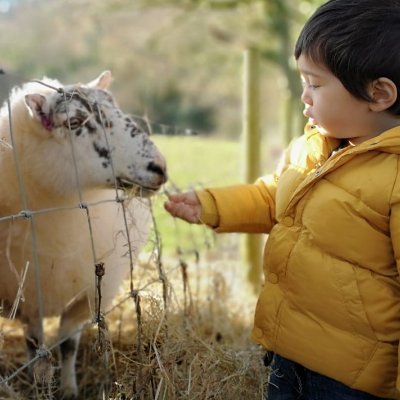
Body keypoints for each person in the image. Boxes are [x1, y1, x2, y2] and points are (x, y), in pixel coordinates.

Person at [164, 0, 400, 398]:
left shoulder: (394, 178)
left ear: (378, 94)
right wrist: (212, 205)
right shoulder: (311, 148)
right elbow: (274, 197)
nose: (303, 96)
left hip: (352, 378)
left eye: (315, 84)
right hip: (286, 351)